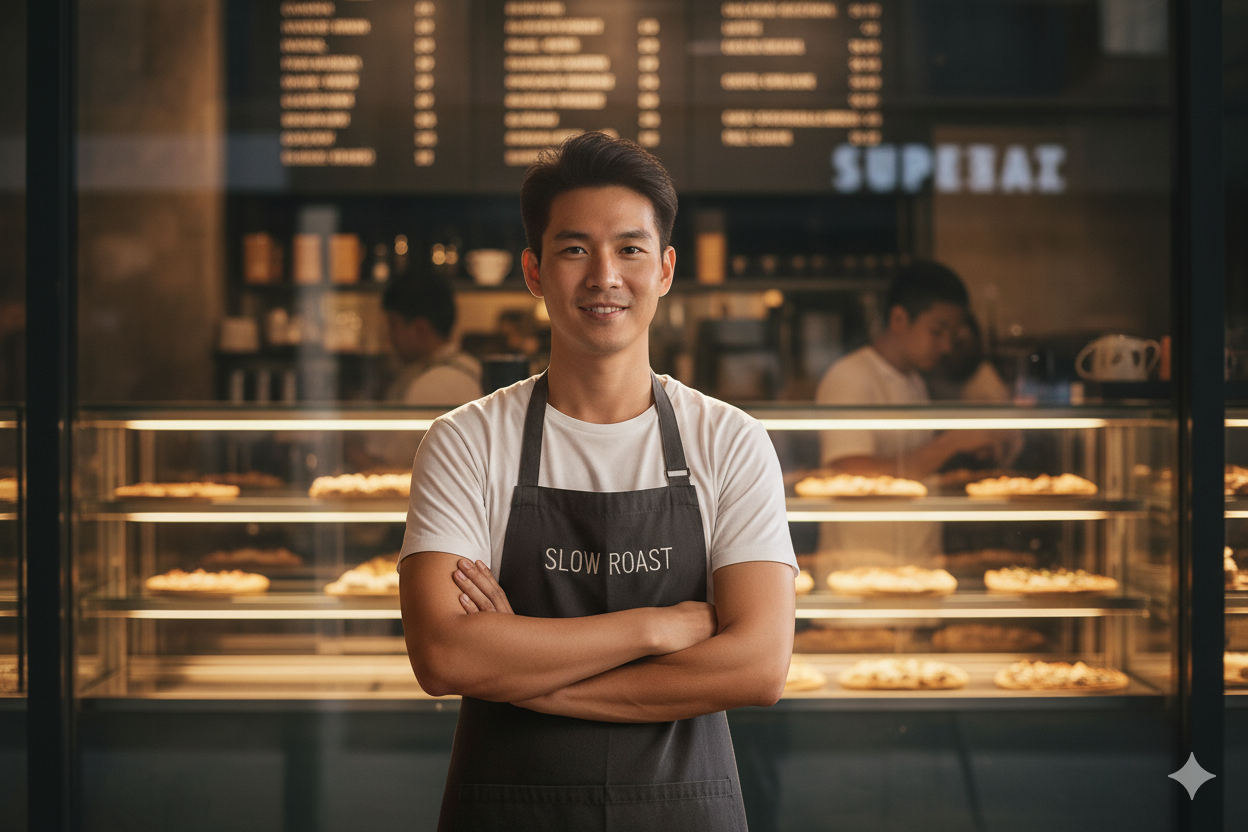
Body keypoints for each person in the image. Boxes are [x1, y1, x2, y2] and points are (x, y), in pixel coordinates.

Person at [398, 132, 797, 832]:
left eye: (630, 249)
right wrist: (660, 626)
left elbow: (758, 667)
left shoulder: (730, 441)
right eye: (575, 248)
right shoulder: (465, 441)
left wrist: (527, 675)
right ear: (534, 270)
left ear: (666, 269)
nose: (604, 276)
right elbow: (444, 654)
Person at [814, 261, 1013, 568]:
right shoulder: (850, 377)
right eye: (937, 331)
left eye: (954, 334)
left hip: (918, 570)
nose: (946, 346)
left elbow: (916, 467)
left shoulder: (916, 380)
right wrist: (951, 443)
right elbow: (852, 472)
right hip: (860, 579)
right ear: (898, 318)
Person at [382, 275, 482, 406]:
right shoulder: (469, 366)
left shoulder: (434, 383)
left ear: (421, 329)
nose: (389, 336)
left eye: (393, 325)